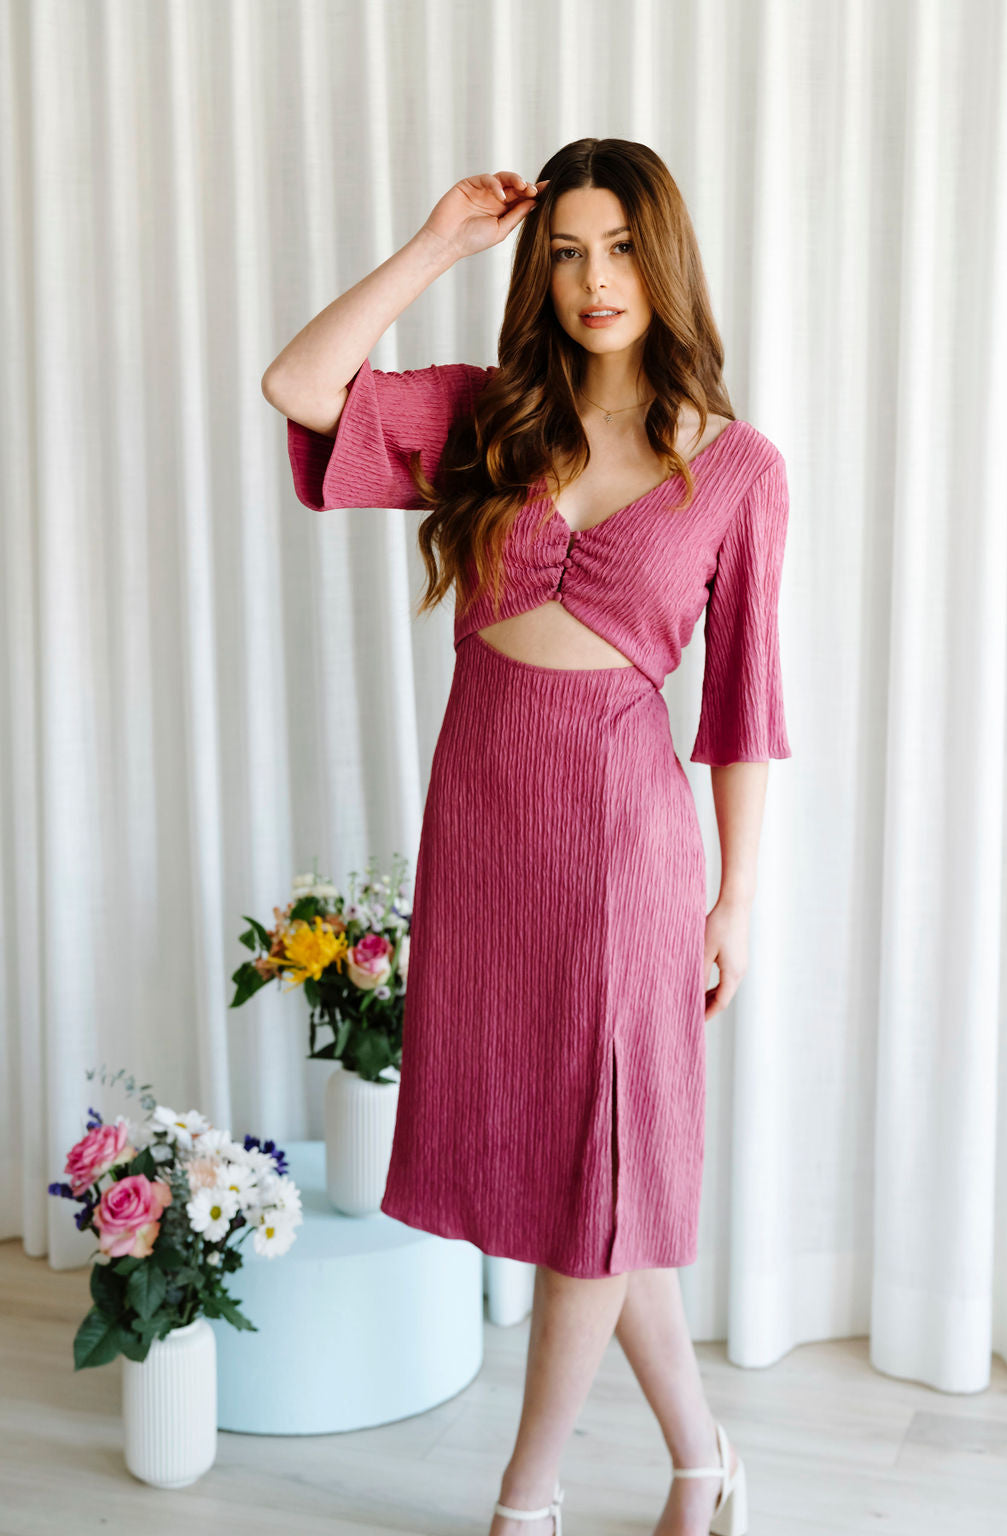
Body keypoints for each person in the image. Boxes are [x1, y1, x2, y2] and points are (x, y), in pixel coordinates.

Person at [263, 137, 791, 1536]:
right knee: (591, 1181)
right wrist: (440, 243)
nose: (594, 279)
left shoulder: (739, 469)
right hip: (490, 835)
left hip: (628, 850)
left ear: (662, 262)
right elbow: (299, 387)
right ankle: (706, 1463)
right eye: (565, 252)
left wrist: (736, 900)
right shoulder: (488, 417)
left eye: (619, 249)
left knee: (595, 1179)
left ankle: (525, 1501)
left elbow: (743, 707)